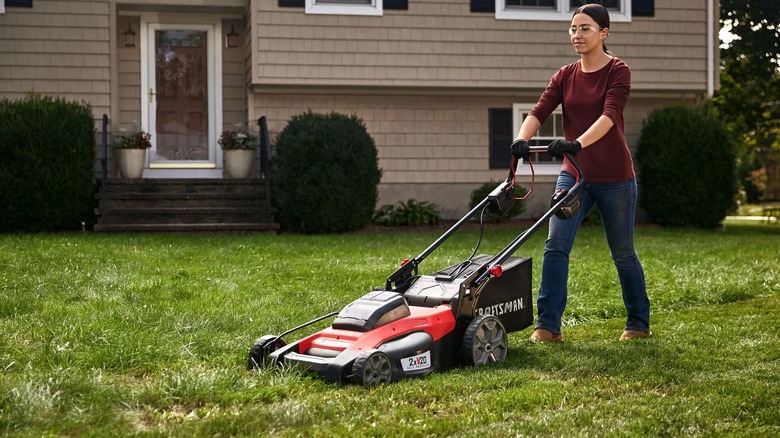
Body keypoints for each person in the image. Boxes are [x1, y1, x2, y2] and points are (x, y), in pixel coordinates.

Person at [509, 4, 651, 342]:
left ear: (604, 33)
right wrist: (520, 139)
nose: (577, 35)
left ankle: (638, 323)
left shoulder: (618, 71)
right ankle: (548, 326)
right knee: (556, 245)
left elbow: (610, 116)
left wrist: (576, 142)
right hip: (574, 175)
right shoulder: (565, 75)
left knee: (622, 252)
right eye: (573, 29)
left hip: (615, 178)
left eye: (585, 28)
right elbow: (540, 109)